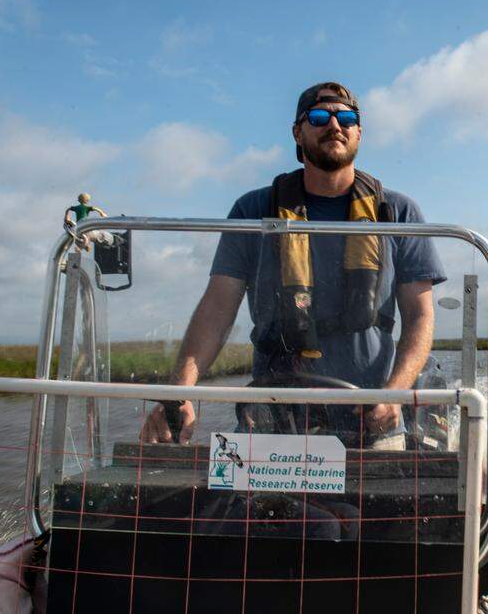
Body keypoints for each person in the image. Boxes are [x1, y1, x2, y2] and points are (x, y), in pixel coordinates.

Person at [139, 81, 446, 448]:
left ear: (359, 132)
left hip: (372, 420)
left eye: (346, 118)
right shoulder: (254, 212)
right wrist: (179, 392)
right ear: (297, 133)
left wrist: (395, 393)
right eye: (319, 117)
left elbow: (420, 316)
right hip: (273, 419)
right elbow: (218, 307)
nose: (334, 125)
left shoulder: (397, 213)